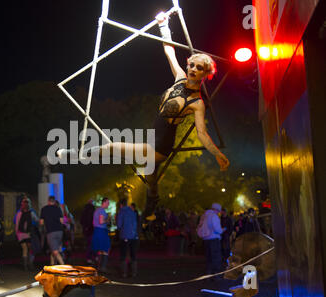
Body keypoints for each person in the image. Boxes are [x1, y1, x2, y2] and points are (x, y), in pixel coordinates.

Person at [57, 10, 229, 218]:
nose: (193, 69)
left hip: (161, 145)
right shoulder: (180, 77)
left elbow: (202, 133)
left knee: (113, 147)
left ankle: (74, 154)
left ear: (205, 73)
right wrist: (163, 25)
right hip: (153, 137)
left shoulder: (197, 103)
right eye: (191, 64)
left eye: (199, 68)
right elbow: (169, 51)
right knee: (151, 177)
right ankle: (153, 200)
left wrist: (217, 154)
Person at [198, 203, 225, 278]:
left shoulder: (204, 215)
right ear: (216, 210)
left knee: (208, 258)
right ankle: (216, 275)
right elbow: (217, 229)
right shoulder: (214, 216)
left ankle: (208, 274)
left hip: (205, 239)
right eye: (218, 211)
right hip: (214, 239)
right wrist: (222, 230)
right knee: (216, 258)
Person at [15, 196, 40, 271]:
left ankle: (26, 265)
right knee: (30, 249)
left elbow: (17, 223)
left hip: (21, 233)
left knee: (25, 249)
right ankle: (30, 264)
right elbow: (37, 220)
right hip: (28, 233)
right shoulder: (31, 212)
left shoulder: (19, 213)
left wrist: (16, 233)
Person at [117, 199, 139, 278]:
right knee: (133, 254)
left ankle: (124, 273)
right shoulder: (133, 212)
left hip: (125, 236)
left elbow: (119, 225)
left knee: (123, 254)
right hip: (134, 236)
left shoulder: (121, 211)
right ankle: (134, 273)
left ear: (121, 205)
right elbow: (135, 223)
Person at [40, 196, 65, 265]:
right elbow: (62, 221)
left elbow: (41, 222)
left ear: (48, 201)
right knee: (53, 249)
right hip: (60, 231)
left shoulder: (44, 209)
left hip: (51, 232)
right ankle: (52, 266)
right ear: (54, 201)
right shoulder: (58, 208)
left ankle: (64, 267)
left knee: (55, 251)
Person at [91, 197, 111, 273]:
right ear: (104, 202)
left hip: (97, 231)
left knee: (99, 249)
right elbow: (101, 221)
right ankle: (103, 267)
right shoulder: (102, 210)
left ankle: (99, 267)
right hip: (101, 231)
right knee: (106, 248)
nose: (108, 205)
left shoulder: (97, 210)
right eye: (108, 203)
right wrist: (108, 219)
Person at [80, 199, 96, 264]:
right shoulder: (92, 209)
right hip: (91, 229)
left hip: (86, 229)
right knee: (92, 244)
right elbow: (91, 219)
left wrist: (85, 227)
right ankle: (91, 257)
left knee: (89, 244)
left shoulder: (84, 210)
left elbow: (81, 220)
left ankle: (89, 258)